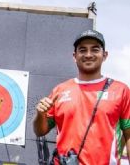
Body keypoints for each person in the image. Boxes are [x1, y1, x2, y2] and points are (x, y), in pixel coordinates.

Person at [33, 29, 130, 164]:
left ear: (105, 55)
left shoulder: (121, 90)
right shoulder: (60, 90)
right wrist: (40, 114)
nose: (88, 54)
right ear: (75, 56)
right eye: (83, 50)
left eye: (95, 49)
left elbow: (128, 135)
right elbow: (40, 131)